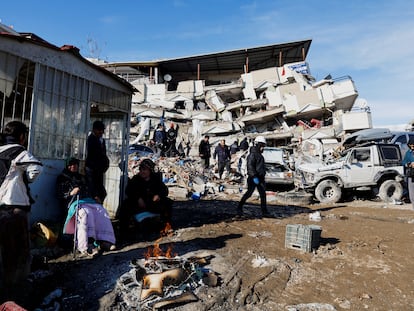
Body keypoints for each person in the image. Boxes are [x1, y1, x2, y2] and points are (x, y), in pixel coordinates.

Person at [0, 121, 42, 297]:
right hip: (15, 205)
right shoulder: (20, 151)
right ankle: (18, 286)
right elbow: (36, 168)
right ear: (22, 137)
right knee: (18, 248)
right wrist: (25, 178)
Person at [58, 157, 116, 257]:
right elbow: (60, 194)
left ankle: (104, 241)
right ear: (67, 166)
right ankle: (86, 245)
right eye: (71, 164)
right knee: (85, 214)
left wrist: (95, 196)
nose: (74, 166)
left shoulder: (81, 177)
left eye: (76, 164)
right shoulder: (62, 178)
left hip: (87, 201)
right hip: (74, 203)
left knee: (102, 211)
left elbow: (90, 189)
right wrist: (71, 193)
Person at [119, 159, 172, 238]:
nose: (142, 172)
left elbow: (164, 190)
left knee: (168, 202)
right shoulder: (135, 179)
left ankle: (166, 225)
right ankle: (124, 231)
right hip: (138, 204)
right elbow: (129, 191)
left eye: (144, 170)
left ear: (150, 171)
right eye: (141, 169)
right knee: (125, 206)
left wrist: (158, 195)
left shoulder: (155, 179)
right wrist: (138, 198)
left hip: (152, 203)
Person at [237, 135, 269, 217]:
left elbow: (259, 166)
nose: (263, 148)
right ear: (258, 145)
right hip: (253, 178)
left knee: (263, 194)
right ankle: (239, 206)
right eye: (262, 146)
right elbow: (250, 166)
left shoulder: (259, 155)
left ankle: (264, 211)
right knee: (249, 193)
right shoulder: (252, 155)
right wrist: (254, 176)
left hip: (260, 178)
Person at [85, 120, 110, 204]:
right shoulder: (90, 140)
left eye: (102, 130)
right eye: (99, 130)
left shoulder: (101, 140)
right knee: (95, 193)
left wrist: (105, 165)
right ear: (94, 130)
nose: (101, 132)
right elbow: (92, 156)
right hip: (91, 170)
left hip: (99, 171)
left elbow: (103, 155)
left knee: (101, 193)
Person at [402, 137, 414, 209]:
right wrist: (408, 164)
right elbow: (403, 162)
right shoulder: (408, 153)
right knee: (412, 195)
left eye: (413, 145)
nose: (412, 147)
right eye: (411, 145)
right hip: (411, 175)